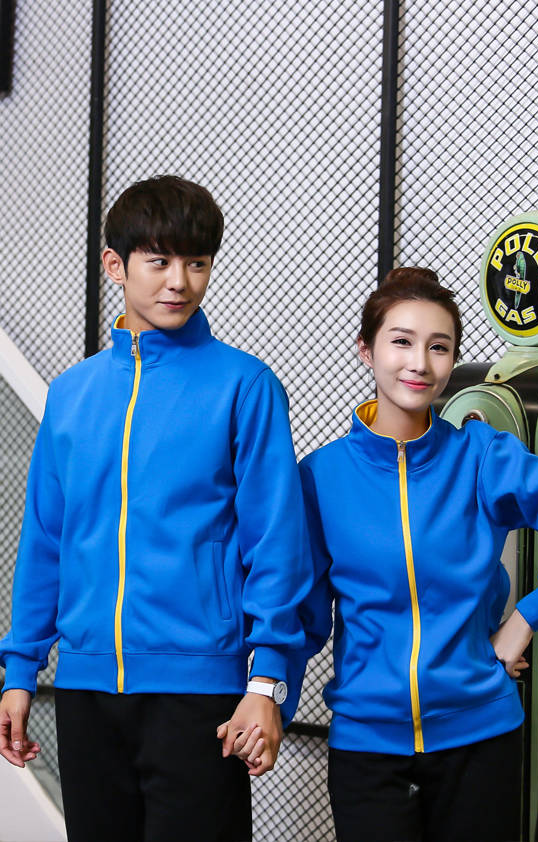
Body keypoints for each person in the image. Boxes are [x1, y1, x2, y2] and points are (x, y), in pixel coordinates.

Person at [0, 175, 312, 842]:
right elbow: (47, 542)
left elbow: (277, 545)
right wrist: (20, 671)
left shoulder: (246, 386)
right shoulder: (71, 395)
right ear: (115, 265)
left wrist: (267, 682)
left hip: (200, 692)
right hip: (85, 692)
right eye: (160, 261)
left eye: (196, 263)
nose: (180, 282)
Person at [291, 267, 538, 842]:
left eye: (439, 347)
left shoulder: (484, 457)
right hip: (367, 750)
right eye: (401, 341)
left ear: (453, 360)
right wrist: (267, 697)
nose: (419, 363)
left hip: (480, 741)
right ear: (366, 350)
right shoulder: (320, 477)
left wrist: (523, 622)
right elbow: (300, 614)